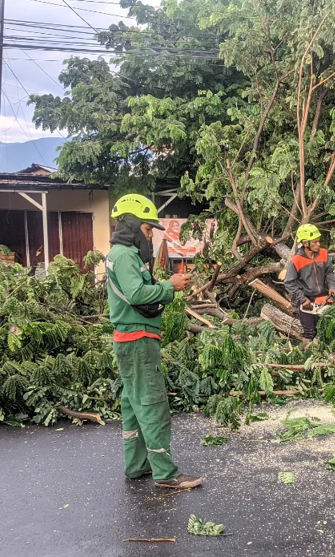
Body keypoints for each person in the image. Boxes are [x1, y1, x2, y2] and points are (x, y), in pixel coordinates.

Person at [106, 194, 202, 490]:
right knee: (152, 404)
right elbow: (136, 295)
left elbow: (139, 292)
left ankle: (136, 466)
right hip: (137, 339)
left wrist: (165, 287)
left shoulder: (124, 256)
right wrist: (168, 285)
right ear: (133, 225)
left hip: (132, 339)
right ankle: (166, 474)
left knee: (133, 405)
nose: (150, 236)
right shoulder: (123, 255)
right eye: (148, 230)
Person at [283, 223, 335, 344]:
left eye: (318, 241)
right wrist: (302, 299)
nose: (318, 244)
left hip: (323, 297)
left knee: (328, 329)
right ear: (305, 243)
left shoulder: (323, 253)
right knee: (310, 332)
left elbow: (329, 272)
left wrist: (332, 287)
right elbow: (289, 283)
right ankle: (306, 358)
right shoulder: (296, 260)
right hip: (307, 300)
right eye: (315, 242)